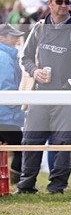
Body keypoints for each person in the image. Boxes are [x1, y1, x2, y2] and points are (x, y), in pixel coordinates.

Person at [15, 0, 71, 194]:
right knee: (31, 140)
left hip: (66, 96)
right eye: (59, 2)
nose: (64, 6)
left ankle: (57, 186)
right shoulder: (39, 28)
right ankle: (26, 185)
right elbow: (24, 57)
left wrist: (69, 87)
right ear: (49, 3)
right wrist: (34, 71)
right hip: (40, 93)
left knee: (63, 142)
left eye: (68, 2)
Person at [0, 24, 26, 184]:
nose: (16, 39)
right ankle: (17, 181)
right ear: (2, 38)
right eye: (12, 36)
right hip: (6, 114)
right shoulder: (4, 57)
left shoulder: (7, 55)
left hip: (5, 112)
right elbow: (7, 85)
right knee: (22, 148)